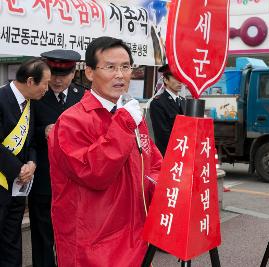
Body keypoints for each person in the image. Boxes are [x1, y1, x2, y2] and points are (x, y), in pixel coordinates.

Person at [48, 36, 162, 266]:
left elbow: (153, 164)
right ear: (89, 72)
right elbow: (94, 173)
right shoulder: (71, 121)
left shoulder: (130, 116)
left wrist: (167, 186)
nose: (120, 74)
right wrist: (124, 124)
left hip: (135, 236)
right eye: (110, 67)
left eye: (126, 67)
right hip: (92, 245)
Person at [30, 49, 85, 267]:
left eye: (64, 74)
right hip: (44, 177)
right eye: (53, 73)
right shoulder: (35, 96)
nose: (58, 79)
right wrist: (43, 131)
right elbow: (24, 134)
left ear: (74, 73)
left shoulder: (82, 96)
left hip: (75, 180)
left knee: (74, 234)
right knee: (42, 234)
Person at [0, 58, 50, 267]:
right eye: (44, 83)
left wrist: (31, 163)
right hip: (4, 181)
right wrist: (17, 169)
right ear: (30, 81)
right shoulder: (1, 98)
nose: (46, 89)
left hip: (17, 188)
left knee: (12, 241)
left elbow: (30, 143)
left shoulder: (29, 103)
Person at [150, 64, 186, 156]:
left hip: (184, 151)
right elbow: (162, 134)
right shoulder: (158, 103)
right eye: (176, 78)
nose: (180, 82)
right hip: (167, 153)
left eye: (181, 78)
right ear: (166, 80)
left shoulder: (183, 101)